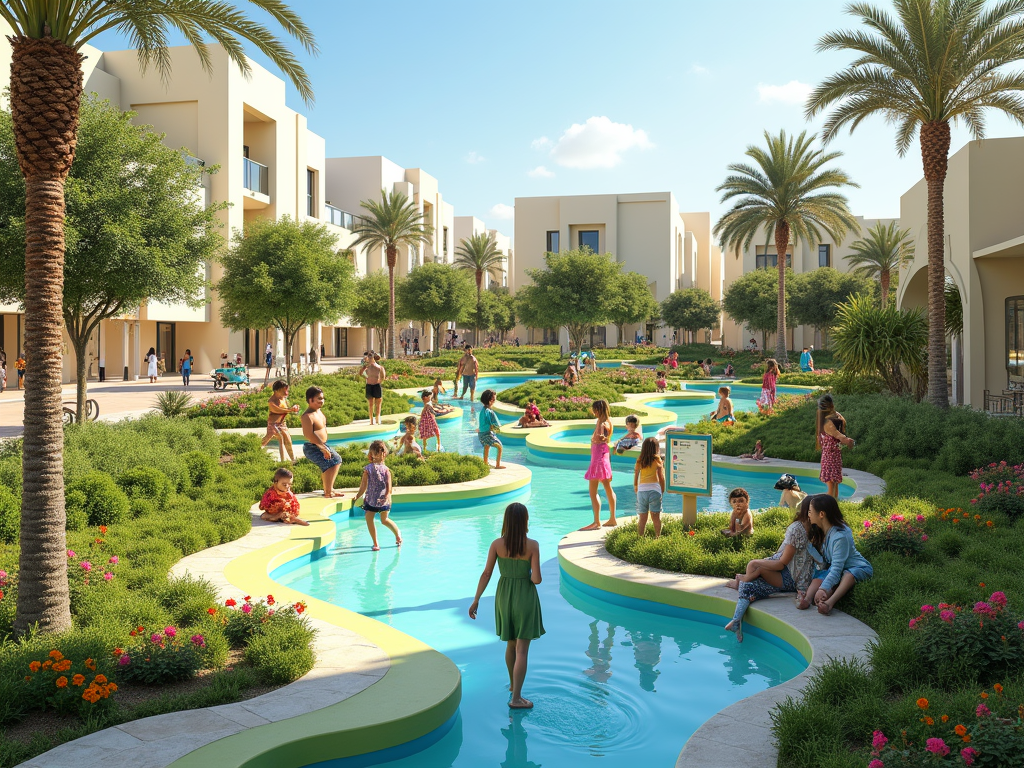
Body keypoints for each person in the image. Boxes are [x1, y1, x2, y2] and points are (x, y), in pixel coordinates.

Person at [468, 502, 544, 710]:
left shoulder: (496, 544)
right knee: (522, 651)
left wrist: (476, 599)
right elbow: (536, 580)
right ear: (525, 521)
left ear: (506, 522)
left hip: (503, 597)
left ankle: (512, 685)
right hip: (525, 598)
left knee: (510, 644)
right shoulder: (533, 545)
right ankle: (517, 699)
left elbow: (486, 574)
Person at [724, 495, 823, 641]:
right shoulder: (814, 529)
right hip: (796, 577)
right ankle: (737, 617)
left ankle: (740, 590)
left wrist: (756, 563)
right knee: (752, 583)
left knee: (752, 572)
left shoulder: (797, 529)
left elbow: (781, 563)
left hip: (790, 578)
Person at [799, 494, 873, 615]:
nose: (808, 514)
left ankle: (829, 603)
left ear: (821, 514)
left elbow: (837, 568)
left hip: (857, 568)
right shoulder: (824, 531)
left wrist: (823, 588)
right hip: (838, 568)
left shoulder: (840, 536)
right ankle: (810, 599)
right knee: (822, 575)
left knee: (847, 575)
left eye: (810, 511)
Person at [353, 440, 402, 551]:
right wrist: (387, 496)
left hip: (371, 500)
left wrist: (357, 496)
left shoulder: (368, 469)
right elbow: (389, 486)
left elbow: (363, 485)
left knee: (369, 518)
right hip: (385, 499)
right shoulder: (386, 470)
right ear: (384, 454)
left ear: (371, 454)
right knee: (385, 520)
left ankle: (376, 543)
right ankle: (398, 534)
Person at [301, 386, 343, 498]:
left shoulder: (318, 412)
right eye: (319, 398)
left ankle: (329, 490)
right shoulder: (307, 416)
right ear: (310, 400)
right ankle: (328, 492)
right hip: (313, 447)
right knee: (333, 462)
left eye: (322, 398)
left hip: (321, 444)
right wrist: (322, 448)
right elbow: (309, 434)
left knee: (334, 461)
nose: (322, 401)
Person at [581, 399, 617, 531]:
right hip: (603, 456)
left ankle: (596, 522)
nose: (593, 412)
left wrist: (602, 436)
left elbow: (603, 434)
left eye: (595, 410)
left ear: (599, 410)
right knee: (608, 487)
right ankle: (612, 518)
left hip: (598, 459)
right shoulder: (605, 421)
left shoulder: (603, 423)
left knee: (593, 492)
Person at [816, 393, 855, 498]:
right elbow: (840, 436)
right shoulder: (839, 417)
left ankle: (829, 509)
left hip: (829, 456)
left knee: (830, 487)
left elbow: (838, 435)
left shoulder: (828, 422)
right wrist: (846, 440)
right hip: (836, 455)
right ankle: (834, 506)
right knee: (835, 486)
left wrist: (847, 440)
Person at [633, 437, 665, 538]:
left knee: (642, 518)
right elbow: (661, 477)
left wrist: (636, 487)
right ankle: (657, 537)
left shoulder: (640, 460)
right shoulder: (657, 459)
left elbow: (636, 474)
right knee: (655, 517)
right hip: (654, 491)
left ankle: (640, 537)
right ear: (656, 448)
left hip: (642, 491)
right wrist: (662, 490)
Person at [262, 380, 299, 462]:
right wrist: (290, 410)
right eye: (284, 390)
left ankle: (293, 460)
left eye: (287, 390)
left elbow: (288, 408)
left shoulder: (284, 399)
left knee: (288, 441)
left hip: (282, 423)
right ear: (276, 390)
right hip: (273, 424)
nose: (286, 392)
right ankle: (255, 451)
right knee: (271, 440)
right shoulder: (271, 401)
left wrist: (295, 407)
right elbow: (278, 410)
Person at [478, 389, 505, 469]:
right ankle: (498, 465)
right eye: (494, 400)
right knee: (499, 446)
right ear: (490, 401)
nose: (494, 401)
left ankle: (485, 463)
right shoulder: (489, 412)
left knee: (487, 446)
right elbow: (494, 424)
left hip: (481, 434)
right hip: (487, 434)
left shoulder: (483, 410)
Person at [359, 353, 386, 425]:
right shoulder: (366, 367)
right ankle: (371, 420)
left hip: (376, 385)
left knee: (378, 402)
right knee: (370, 403)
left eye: (371, 357)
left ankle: (377, 418)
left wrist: (380, 381)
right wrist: (364, 373)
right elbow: (361, 373)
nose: (369, 358)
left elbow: (383, 376)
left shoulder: (379, 367)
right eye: (369, 357)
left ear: (373, 358)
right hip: (369, 385)